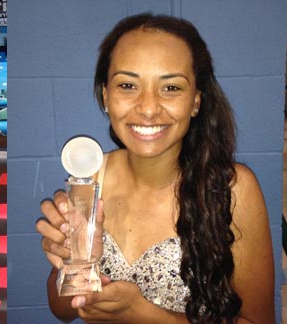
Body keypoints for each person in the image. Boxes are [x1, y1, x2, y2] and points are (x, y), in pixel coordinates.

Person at [36, 13, 274, 323]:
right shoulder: (91, 179)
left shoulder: (232, 188)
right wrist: (72, 266)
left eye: (171, 88)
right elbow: (62, 309)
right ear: (106, 96)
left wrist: (145, 315)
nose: (148, 108)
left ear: (196, 101)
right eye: (127, 85)